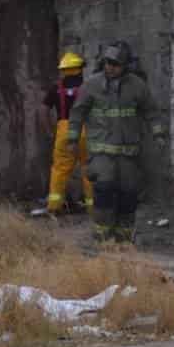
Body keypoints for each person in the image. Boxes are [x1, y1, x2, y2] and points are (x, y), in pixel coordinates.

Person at [66, 40, 165, 244]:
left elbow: (151, 112)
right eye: (107, 63)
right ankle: (102, 237)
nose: (110, 67)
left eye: (115, 64)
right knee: (104, 191)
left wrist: (159, 134)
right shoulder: (91, 85)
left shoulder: (137, 86)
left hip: (129, 154)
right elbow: (77, 113)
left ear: (125, 66)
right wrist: (72, 138)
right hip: (102, 153)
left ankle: (124, 238)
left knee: (128, 194)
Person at [40, 51, 93, 217]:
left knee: (60, 170)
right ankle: (94, 207)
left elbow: (42, 111)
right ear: (79, 69)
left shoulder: (56, 89)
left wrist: (50, 131)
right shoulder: (89, 87)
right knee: (89, 168)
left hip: (64, 131)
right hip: (86, 130)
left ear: (64, 70)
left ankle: (54, 206)